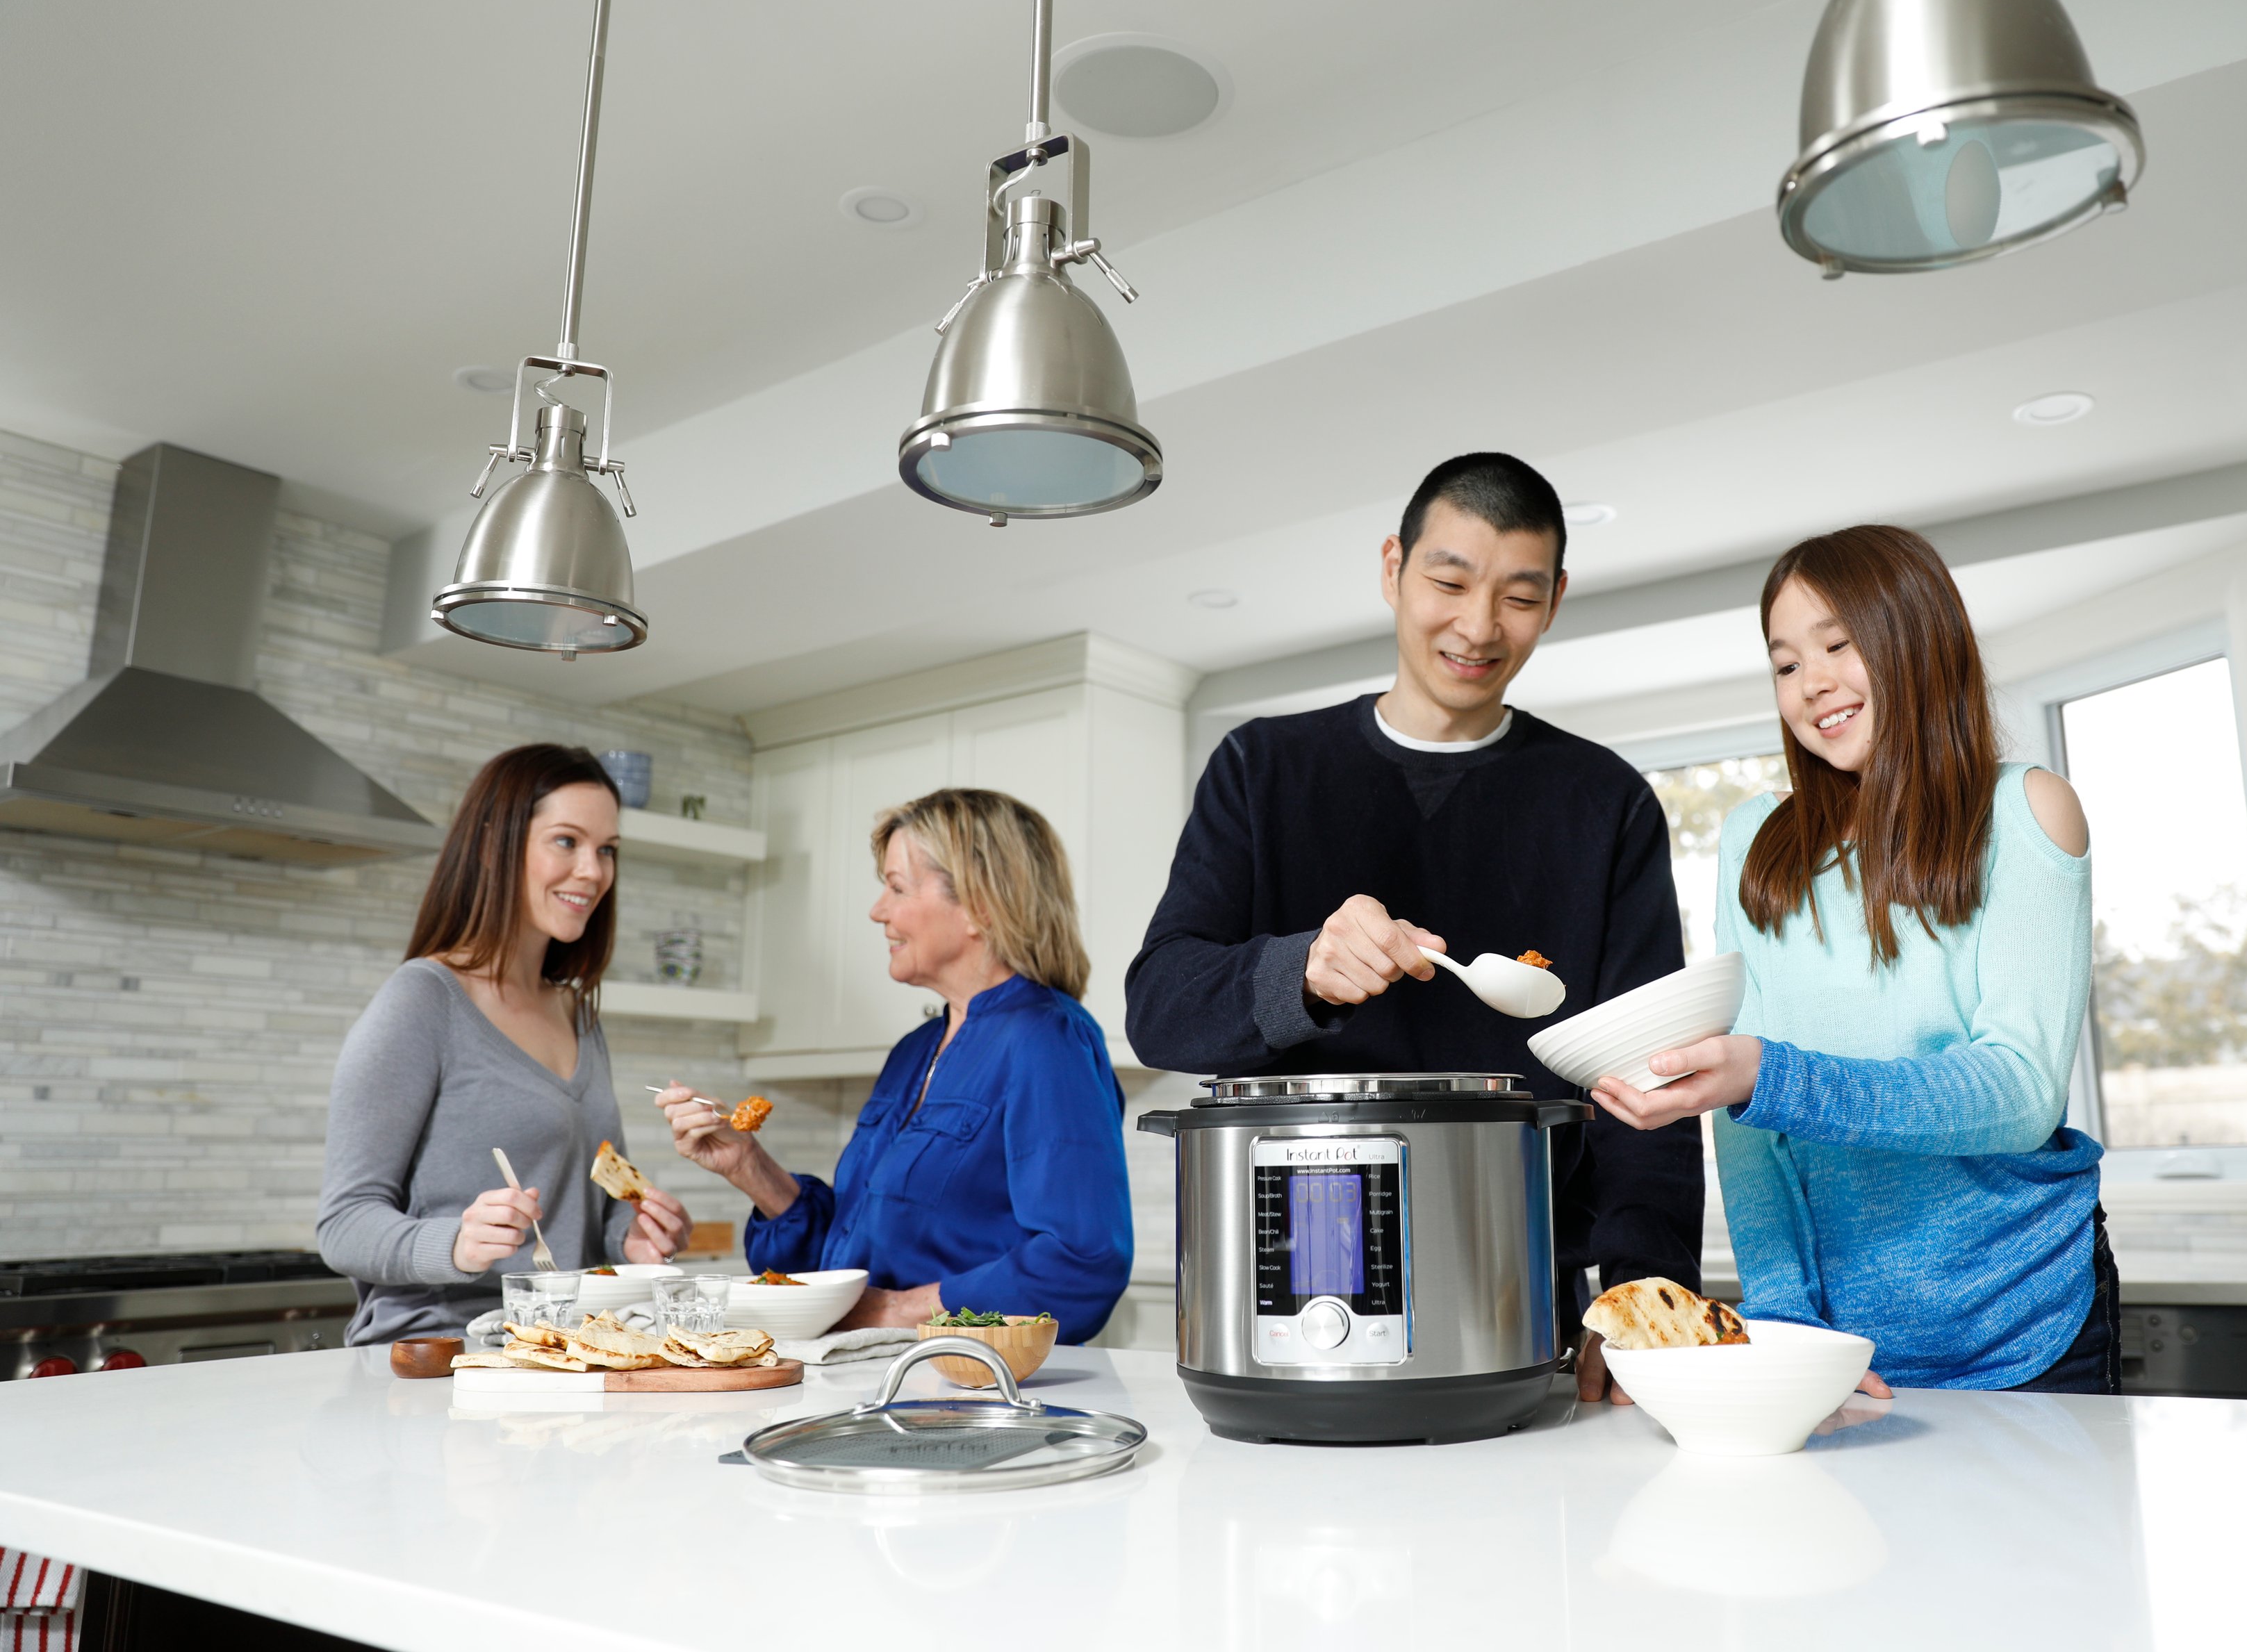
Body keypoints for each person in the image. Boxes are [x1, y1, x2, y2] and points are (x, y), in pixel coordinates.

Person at [1127, 452, 1701, 1403]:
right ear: (1393, 568)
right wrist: (1301, 971)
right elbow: (1160, 1007)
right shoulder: (1262, 770)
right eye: (1448, 580)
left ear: (1555, 600)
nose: (1478, 627)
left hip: (1521, 1302)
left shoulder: (1605, 803)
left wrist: (1644, 1293)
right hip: (1285, 1291)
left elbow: (1648, 1079)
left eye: (1518, 595)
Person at [1591, 524, 2114, 1393]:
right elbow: (1750, 1125)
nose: (1813, 683)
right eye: (1787, 663)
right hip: (1833, 1350)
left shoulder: (2028, 812)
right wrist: (1786, 1318)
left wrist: (1770, 1075)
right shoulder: (1757, 840)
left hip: (2026, 1324)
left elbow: (2021, 1093)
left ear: (1917, 635)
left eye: (1839, 644)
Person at [658, 788, 1131, 1341]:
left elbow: (1081, 1260)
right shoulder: (914, 1051)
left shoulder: (1047, 1039)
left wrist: (898, 1312)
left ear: (980, 905)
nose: (877, 910)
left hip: (971, 1393)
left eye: (897, 887)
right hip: (873, 1378)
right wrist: (747, 1165)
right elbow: (848, 1262)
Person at [318, 743, 691, 1346]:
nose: (593, 871)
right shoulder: (423, 1002)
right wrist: (458, 1244)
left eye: (607, 850)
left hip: (562, 1351)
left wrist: (634, 1233)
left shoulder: (578, 1012)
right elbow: (343, 1224)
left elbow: (602, 1191)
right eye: (567, 842)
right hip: (442, 1360)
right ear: (498, 844)